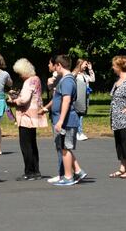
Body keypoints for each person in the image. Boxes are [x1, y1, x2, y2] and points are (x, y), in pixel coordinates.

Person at [43, 54, 85, 186]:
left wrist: (60, 121)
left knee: (65, 148)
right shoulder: (65, 79)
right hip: (64, 119)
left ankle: (68, 176)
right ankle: (78, 171)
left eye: (55, 66)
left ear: (59, 65)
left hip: (66, 120)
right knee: (64, 147)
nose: (54, 68)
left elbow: (66, 101)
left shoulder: (67, 80)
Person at [10, 58, 47, 181]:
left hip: (26, 116)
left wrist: (14, 100)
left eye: (19, 73)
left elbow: (24, 99)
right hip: (34, 115)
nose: (19, 76)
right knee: (33, 144)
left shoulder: (28, 82)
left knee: (25, 146)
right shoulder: (36, 79)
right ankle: (36, 171)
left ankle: (29, 172)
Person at [73, 59, 95, 141]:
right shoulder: (75, 74)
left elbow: (92, 79)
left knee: (81, 114)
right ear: (80, 64)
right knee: (79, 115)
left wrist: (90, 69)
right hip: (78, 97)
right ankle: (79, 132)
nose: (86, 66)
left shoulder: (85, 74)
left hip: (85, 96)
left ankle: (78, 132)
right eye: (85, 64)